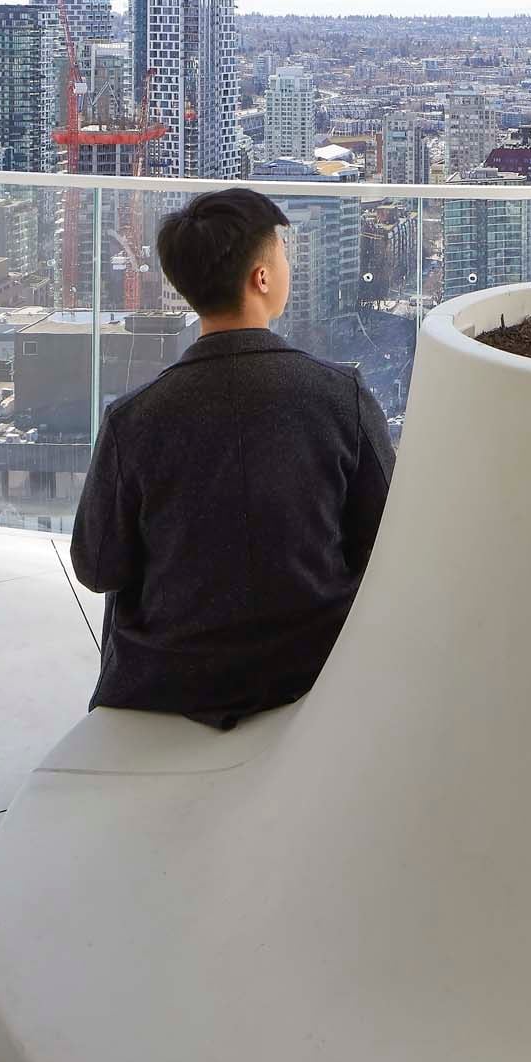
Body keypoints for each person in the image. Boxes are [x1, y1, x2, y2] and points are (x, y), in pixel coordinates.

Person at [70, 187, 395, 727]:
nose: (287, 266)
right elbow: (384, 540)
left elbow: (98, 567)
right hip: (315, 665)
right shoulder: (342, 397)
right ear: (261, 279)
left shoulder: (134, 419)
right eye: (282, 254)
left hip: (169, 676)